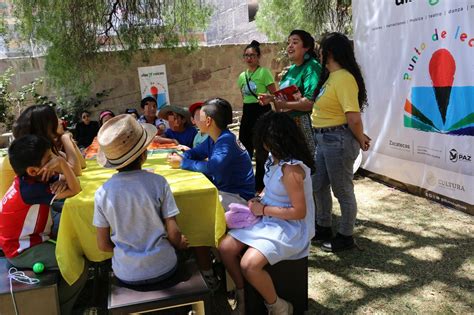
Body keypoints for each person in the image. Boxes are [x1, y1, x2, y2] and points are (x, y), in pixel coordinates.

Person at [218, 112, 315, 315]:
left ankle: (278, 306)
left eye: (265, 141)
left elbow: (299, 212)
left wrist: (262, 209)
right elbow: (269, 188)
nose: (263, 146)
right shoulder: (274, 160)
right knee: (225, 247)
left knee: (249, 264)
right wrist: (259, 198)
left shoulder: (292, 170)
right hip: (268, 218)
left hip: (289, 226)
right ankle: (242, 295)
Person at [167, 98, 255, 291]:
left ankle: (208, 275)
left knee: (197, 217)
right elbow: (194, 154)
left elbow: (213, 168)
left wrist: (182, 163)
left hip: (238, 199)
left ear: (208, 121)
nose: (195, 120)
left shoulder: (225, 141)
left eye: (199, 117)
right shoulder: (214, 138)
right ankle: (209, 265)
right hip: (225, 193)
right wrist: (184, 157)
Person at [93, 114, 188, 286]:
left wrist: (129, 255)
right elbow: (174, 233)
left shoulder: (102, 193)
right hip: (164, 266)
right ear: (144, 154)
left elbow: (103, 245)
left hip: (126, 272)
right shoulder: (158, 182)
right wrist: (180, 243)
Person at [0, 134, 86, 314]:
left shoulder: (33, 179)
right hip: (22, 249)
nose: (54, 160)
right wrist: (63, 165)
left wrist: (62, 177)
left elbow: (69, 183)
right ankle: (55, 308)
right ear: (32, 170)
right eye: (49, 159)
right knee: (77, 266)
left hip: (28, 238)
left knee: (73, 236)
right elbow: (75, 188)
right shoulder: (32, 189)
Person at [311, 32, 371, 252]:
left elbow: (353, 117)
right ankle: (323, 226)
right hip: (323, 139)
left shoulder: (344, 77)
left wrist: (360, 138)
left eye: (321, 49)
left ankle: (345, 236)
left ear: (330, 52)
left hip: (337, 140)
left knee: (342, 190)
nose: (318, 53)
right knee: (318, 184)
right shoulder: (331, 77)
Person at [260, 30, 321, 155]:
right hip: (288, 125)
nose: (290, 46)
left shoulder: (312, 67)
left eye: (295, 42)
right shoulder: (290, 70)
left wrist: (284, 105)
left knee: (311, 164)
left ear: (306, 47)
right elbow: (284, 99)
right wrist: (272, 99)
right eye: (288, 43)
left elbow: (310, 103)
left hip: (306, 124)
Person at [237, 40, 276, 192]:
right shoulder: (242, 76)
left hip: (262, 111)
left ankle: (260, 184)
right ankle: (246, 181)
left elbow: (274, 94)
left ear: (258, 57)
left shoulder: (264, 72)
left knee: (261, 149)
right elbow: (243, 96)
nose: (249, 58)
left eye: (252, 55)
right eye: (246, 55)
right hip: (248, 112)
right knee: (244, 148)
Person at [13, 104, 85, 176]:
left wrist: (71, 141)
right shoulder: (39, 155)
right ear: (45, 126)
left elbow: (82, 164)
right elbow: (76, 172)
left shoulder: (53, 150)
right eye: (56, 118)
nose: (61, 121)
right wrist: (65, 138)